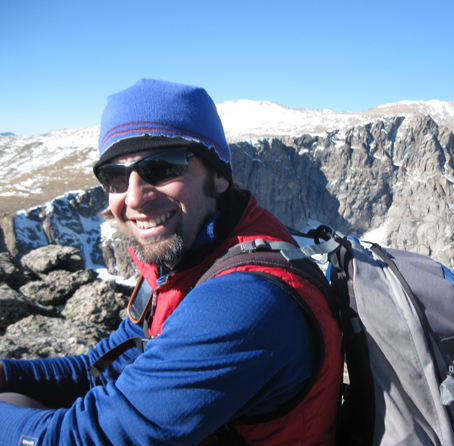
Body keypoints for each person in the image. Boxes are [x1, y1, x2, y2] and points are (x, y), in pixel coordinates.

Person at [0, 79, 342, 445]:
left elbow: (82, 438)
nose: (134, 198)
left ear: (219, 176)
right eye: (114, 177)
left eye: (161, 167)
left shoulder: (247, 302)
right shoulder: (186, 260)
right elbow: (102, 367)